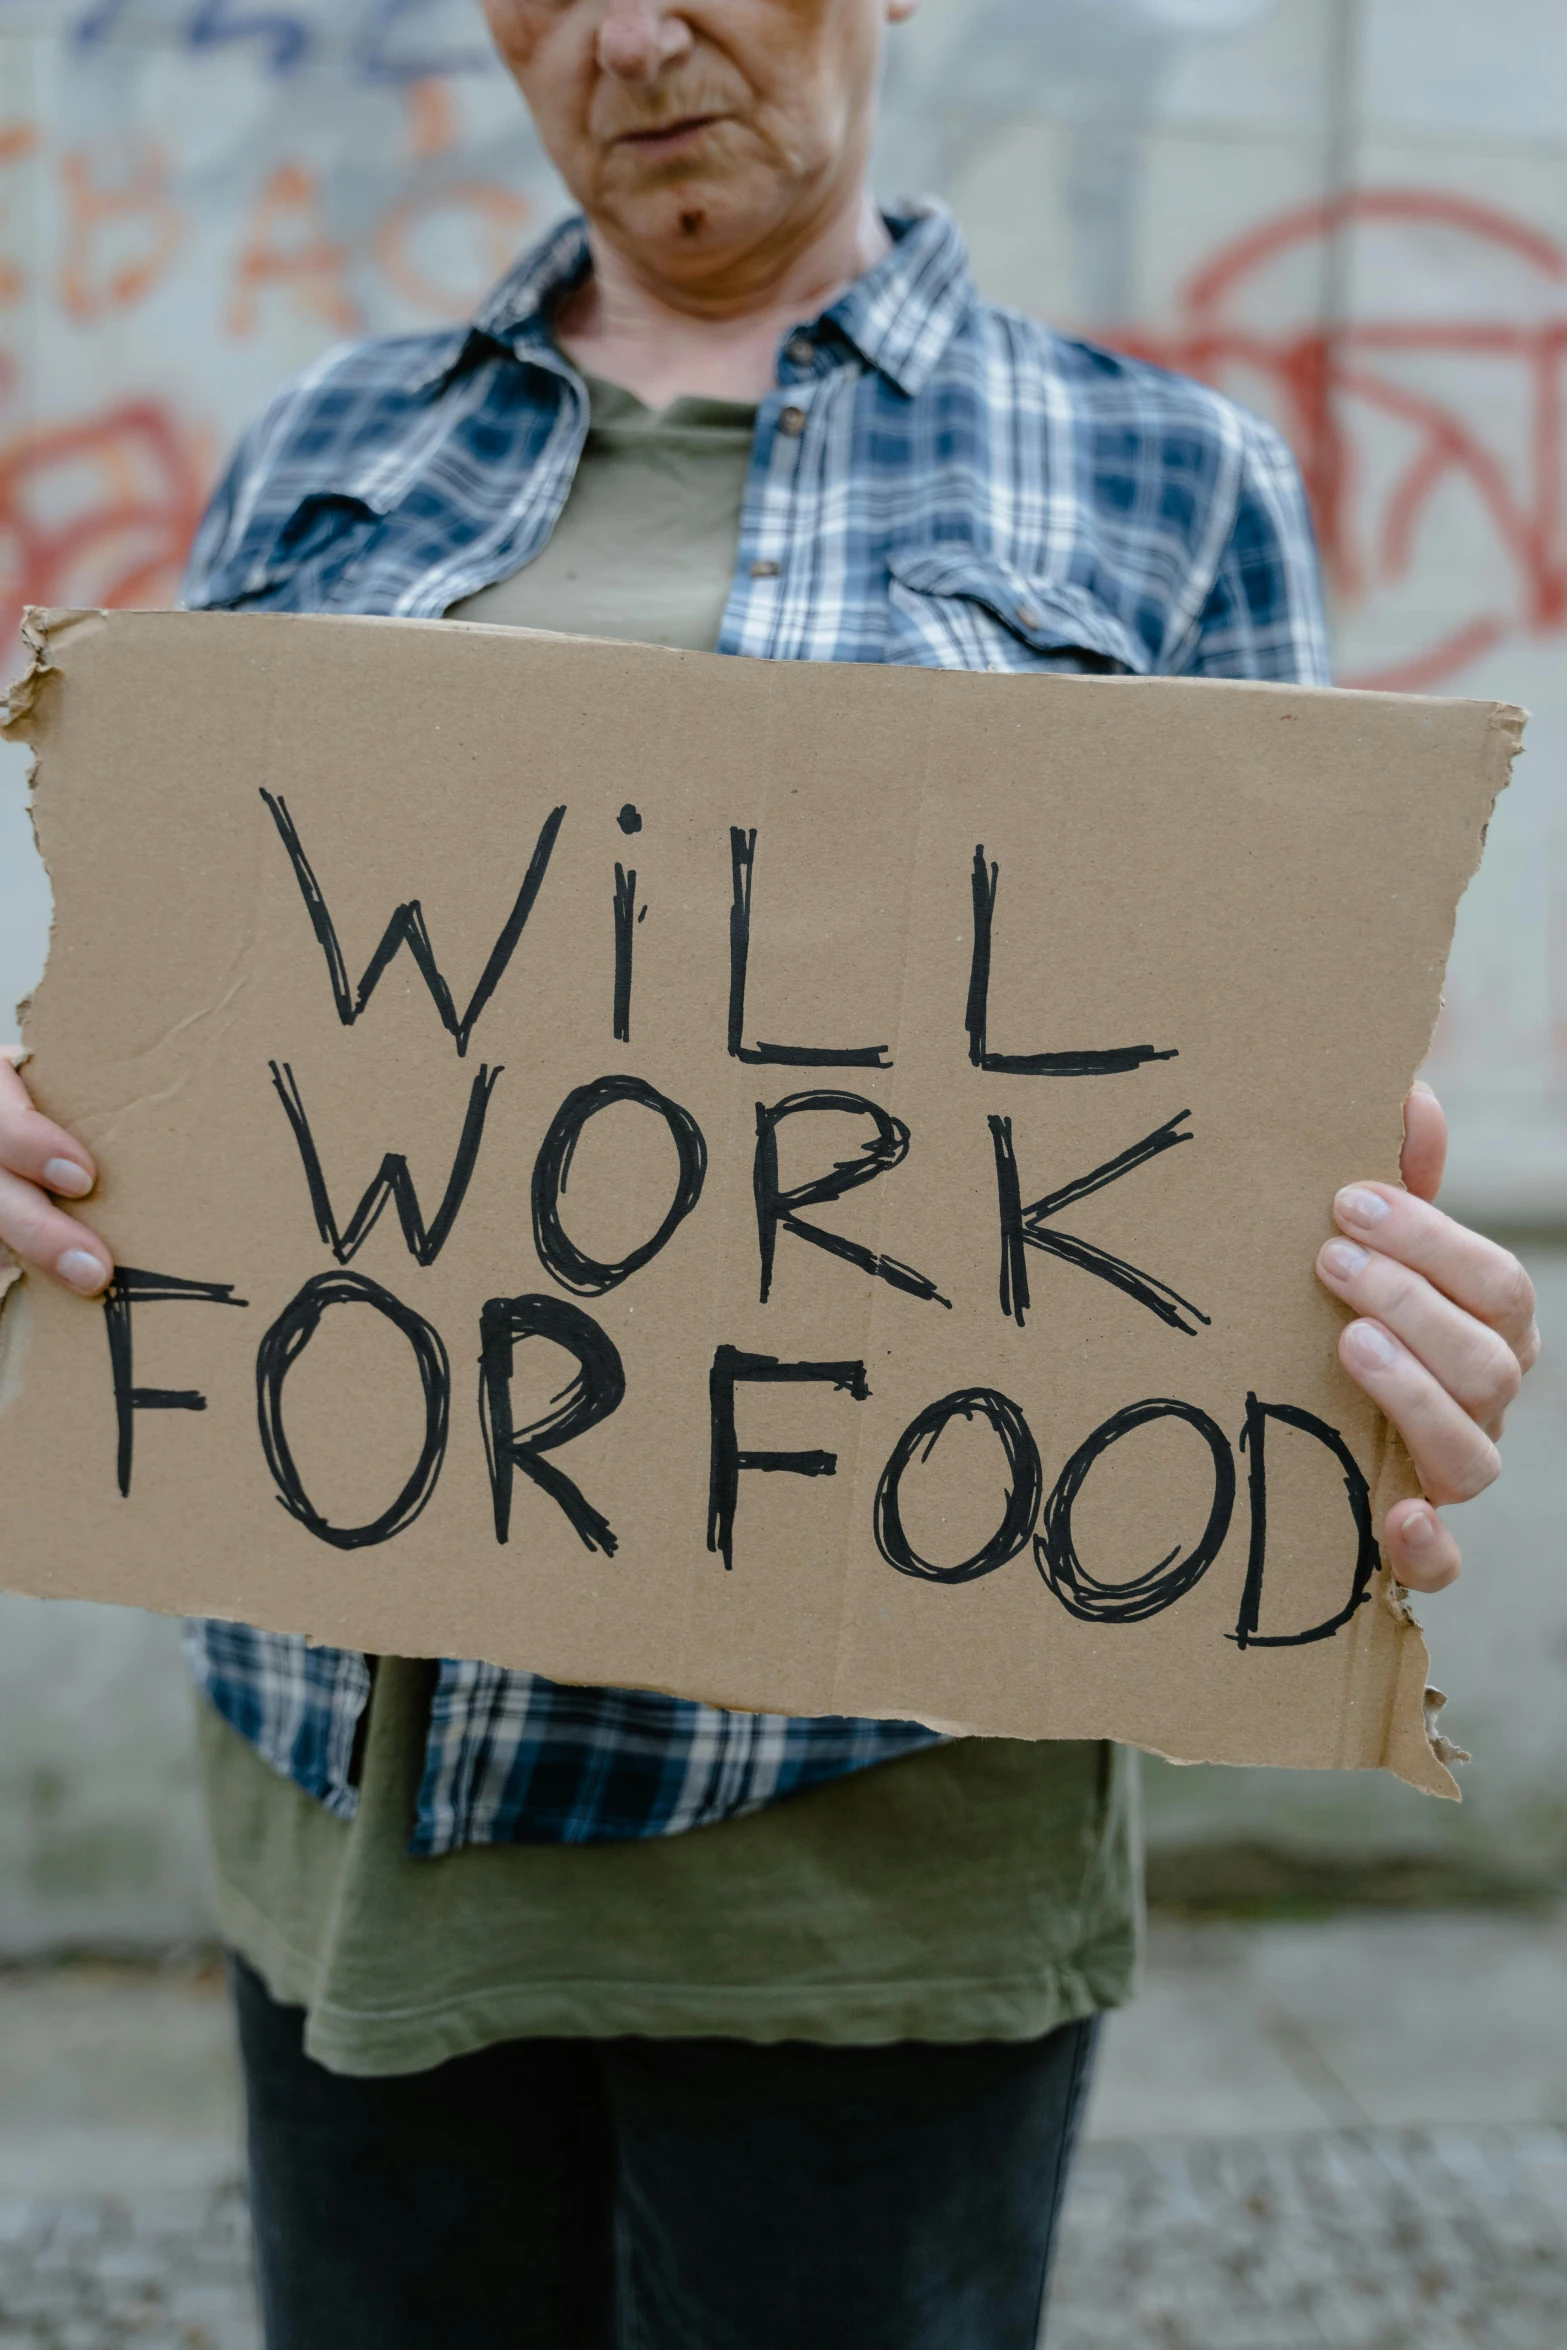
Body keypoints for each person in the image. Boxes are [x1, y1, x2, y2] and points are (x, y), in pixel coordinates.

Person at [0, 2, 1541, 2343]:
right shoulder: (323, 454)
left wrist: (1372, 1348)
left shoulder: (1165, 478)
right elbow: (188, 1033)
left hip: (873, 1877)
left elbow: (1270, 1172)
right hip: (352, 1834)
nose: (631, 32)